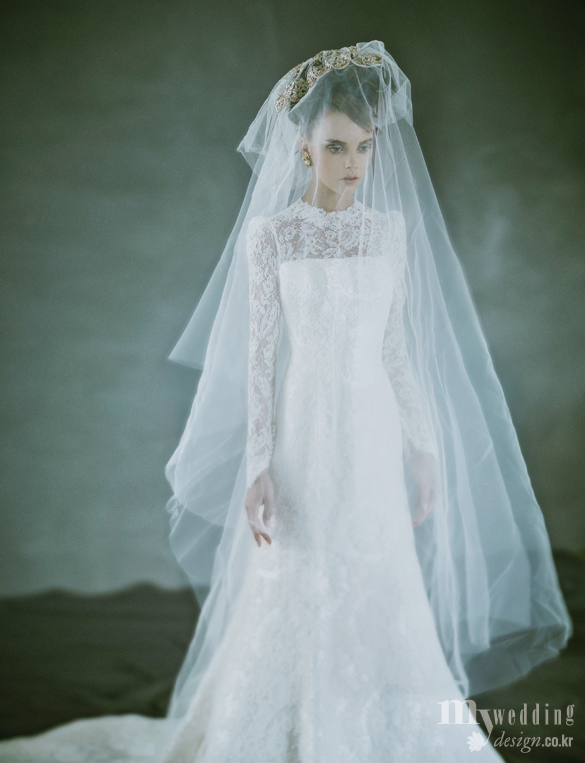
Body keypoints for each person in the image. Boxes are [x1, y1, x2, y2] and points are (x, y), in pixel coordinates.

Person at [0, 40, 572, 763]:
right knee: (298, 573)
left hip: (371, 431)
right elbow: (260, 359)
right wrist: (259, 464)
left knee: (378, 569)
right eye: (335, 147)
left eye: (363, 147)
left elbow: (395, 349)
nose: (353, 164)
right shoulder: (271, 236)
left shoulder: (388, 231)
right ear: (302, 147)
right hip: (305, 430)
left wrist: (422, 445)